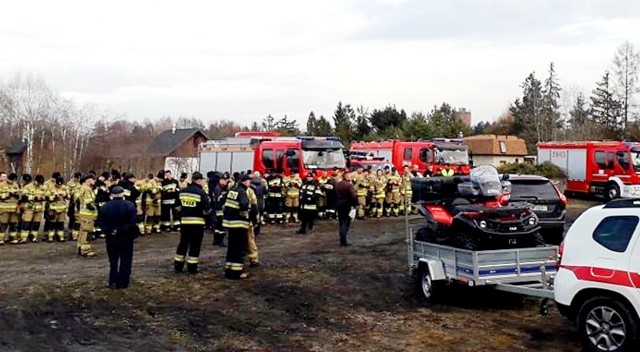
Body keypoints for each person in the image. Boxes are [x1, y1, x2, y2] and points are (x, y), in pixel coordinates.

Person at [97, 186, 138, 289]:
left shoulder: (105, 207)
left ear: (112, 195)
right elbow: (132, 221)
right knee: (126, 260)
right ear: (123, 194)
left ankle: (113, 281)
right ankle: (123, 282)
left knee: (113, 261)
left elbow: (101, 223)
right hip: (126, 237)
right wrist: (122, 230)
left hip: (111, 238)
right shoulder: (130, 205)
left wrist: (111, 231)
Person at [174, 172, 210, 274]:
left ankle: (178, 265)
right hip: (197, 223)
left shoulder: (182, 191)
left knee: (183, 243)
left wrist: (182, 214)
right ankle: (192, 267)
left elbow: (177, 207)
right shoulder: (201, 193)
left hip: (185, 222)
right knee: (195, 245)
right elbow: (207, 209)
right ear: (198, 180)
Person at [223, 174, 251, 280]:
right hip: (239, 224)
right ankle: (236, 272)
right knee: (239, 249)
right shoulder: (242, 192)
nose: (249, 183)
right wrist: (247, 215)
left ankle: (228, 269)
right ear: (244, 182)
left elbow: (224, 202)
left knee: (231, 247)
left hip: (229, 224)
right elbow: (244, 206)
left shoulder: (232, 190)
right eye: (248, 181)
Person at [76, 174, 98, 257]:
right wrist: (96, 208)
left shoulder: (82, 188)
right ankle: (85, 250)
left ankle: (80, 247)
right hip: (88, 215)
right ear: (88, 180)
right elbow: (88, 203)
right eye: (93, 180)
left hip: (83, 213)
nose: (94, 181)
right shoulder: (87, 189)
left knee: (82, 231)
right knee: (87, 232)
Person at [336, 171, 358, 246]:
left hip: (339, 205)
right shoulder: (349, 185)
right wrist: (355, 205)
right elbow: (354, 196)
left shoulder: (338, 184)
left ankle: (342, 240)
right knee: (345, 223)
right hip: (346, 205)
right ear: (346, 177)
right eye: (349, 176)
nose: (351, 177)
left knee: (341, 222)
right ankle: (343, 241)